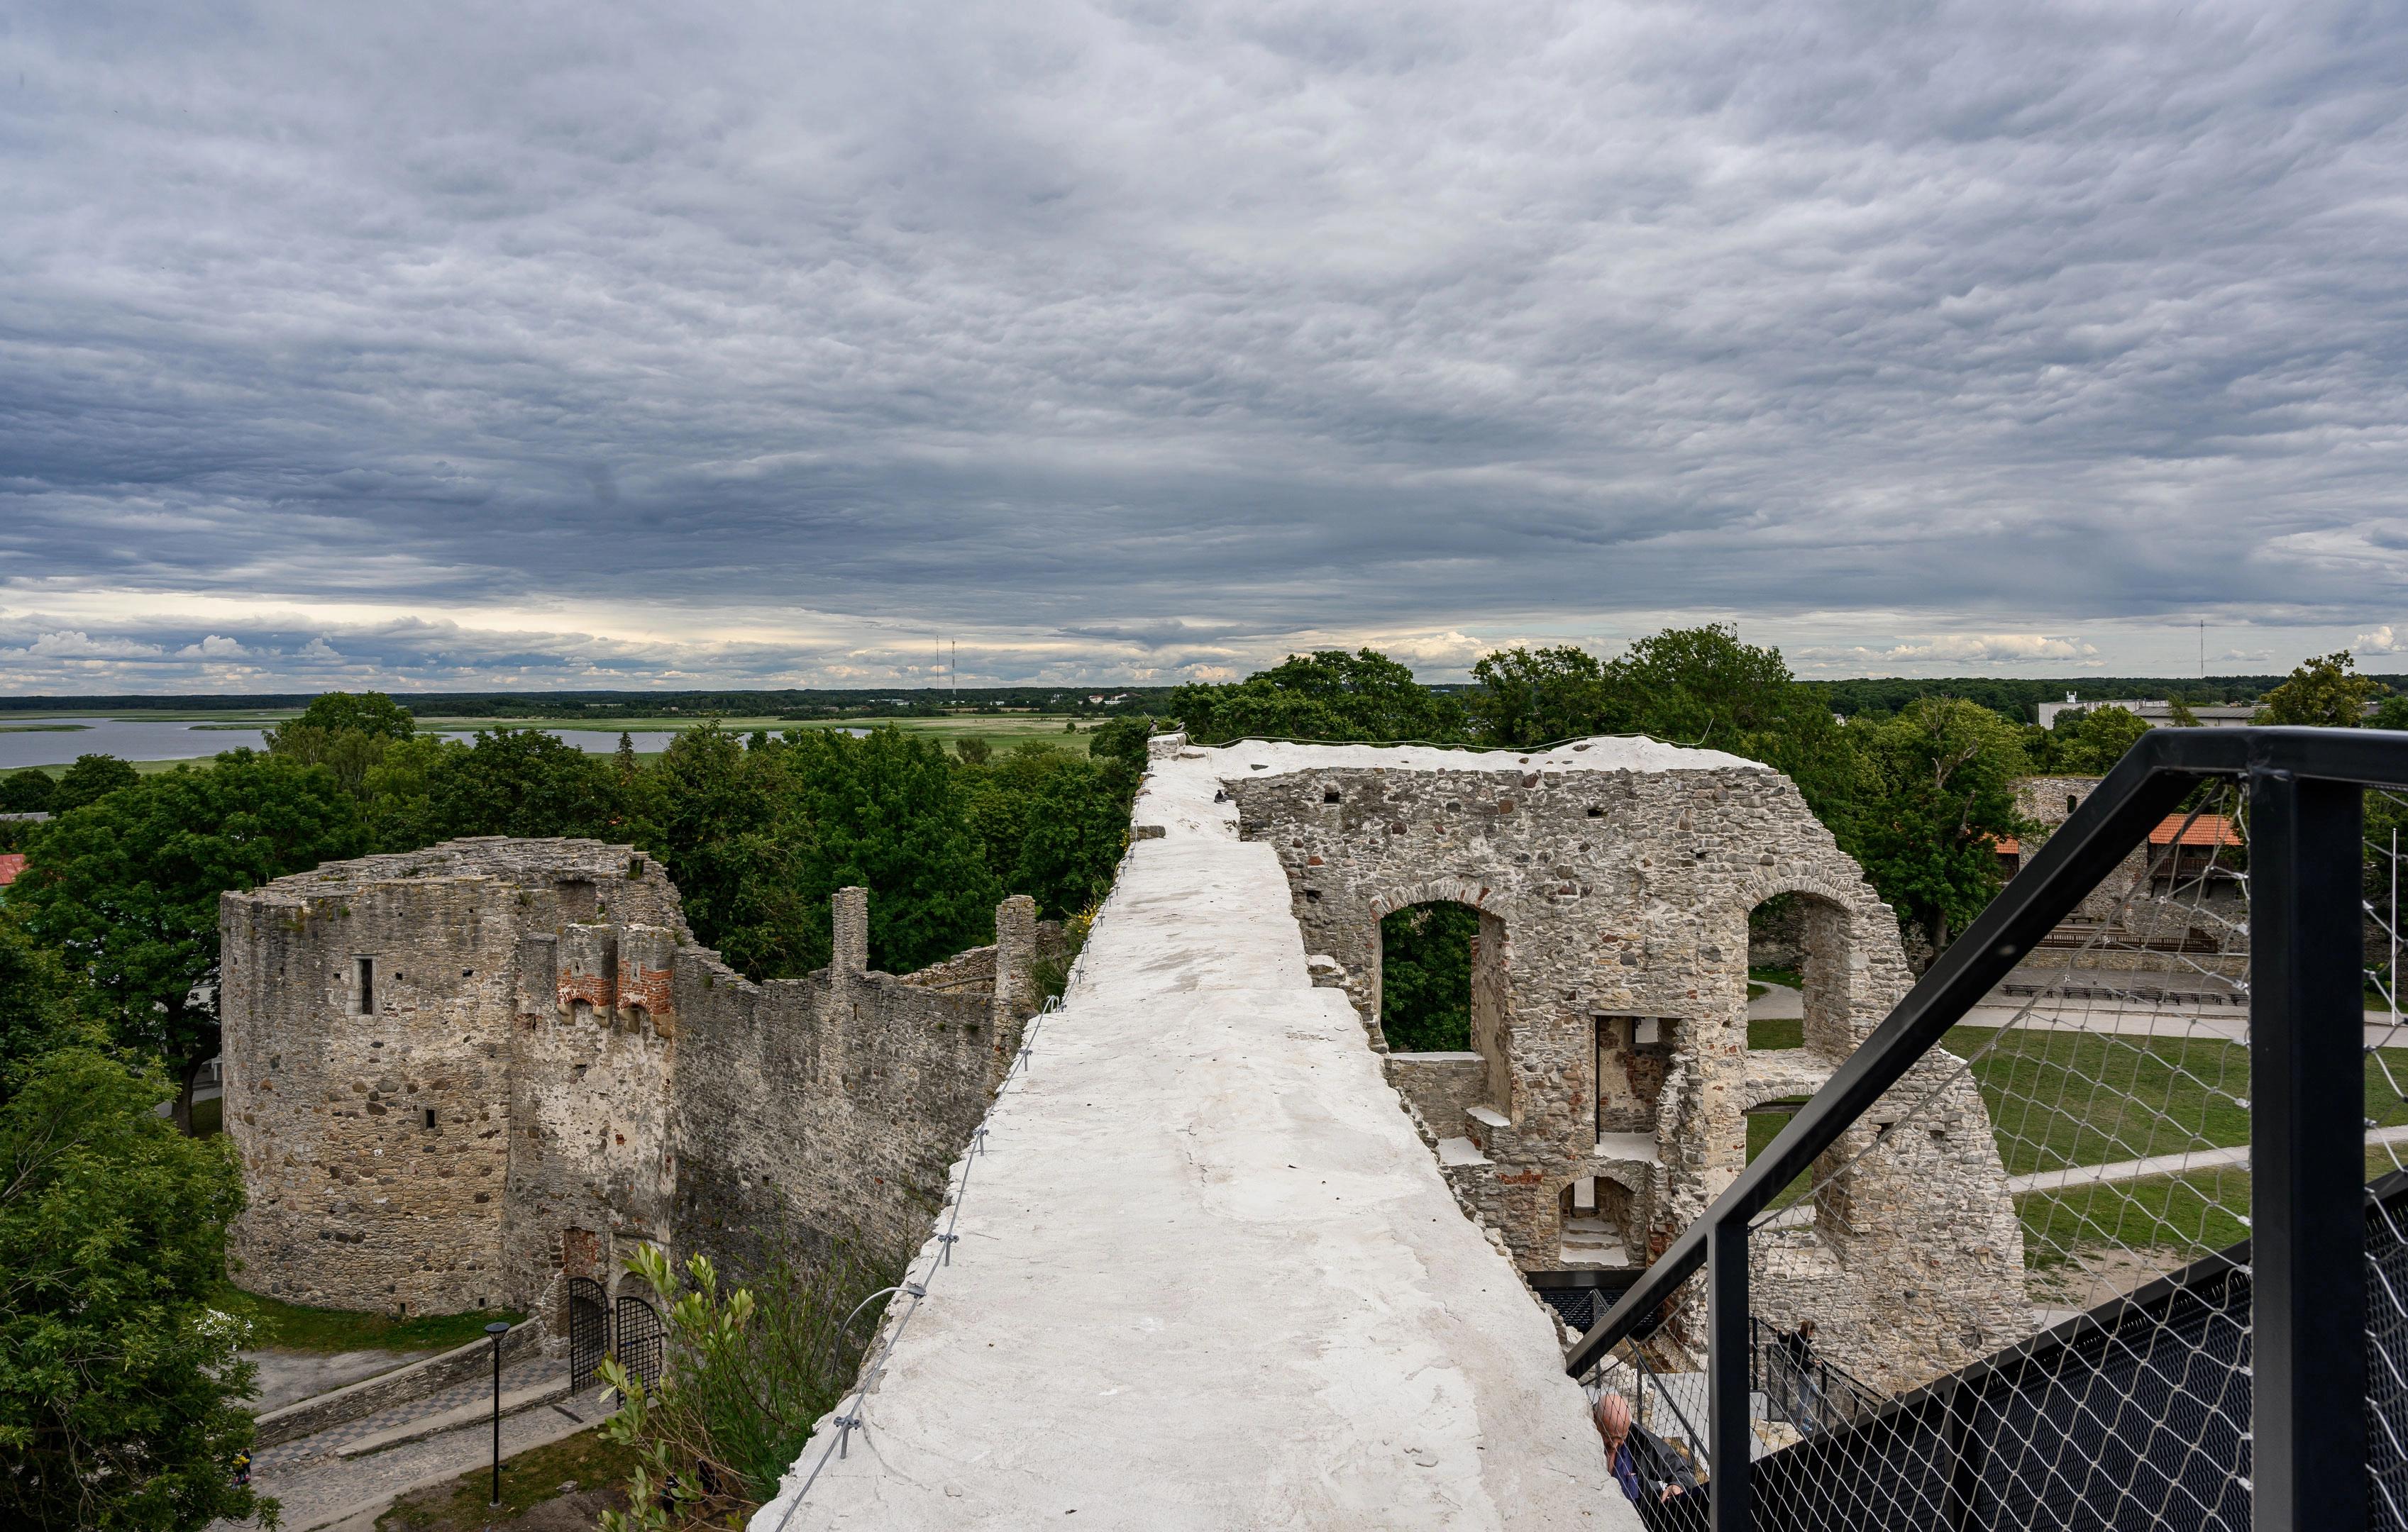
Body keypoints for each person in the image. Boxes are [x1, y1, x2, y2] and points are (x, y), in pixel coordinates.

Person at [1594, 1392, 1694, 1505]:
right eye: (1609, 1437)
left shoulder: (1640, 1441)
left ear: (1628, 1425)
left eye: (1621, 1437)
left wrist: (1678, 1484)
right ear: (1595, 1419)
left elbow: (1683, 1468)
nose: (1615, 1444)